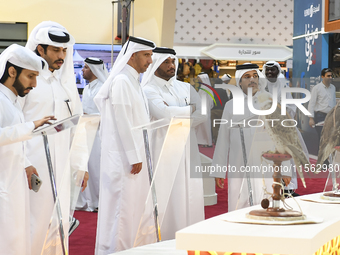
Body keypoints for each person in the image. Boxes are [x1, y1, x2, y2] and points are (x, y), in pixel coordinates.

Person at [20, 21, 84, 255]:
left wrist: (81, 165)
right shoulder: (27, 81)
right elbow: (13, 124)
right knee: (34, 221)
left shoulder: (64, 85)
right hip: (33, 165)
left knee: (59, 223)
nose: (62, 56)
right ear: (40, 50)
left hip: (62, 165)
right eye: (56, 50)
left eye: (64, 50)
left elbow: (78, 126)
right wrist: (25, 163)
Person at [94, 36, 156, 254]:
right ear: (132, 56)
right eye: (146, 55)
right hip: (124, 160)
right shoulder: (121, 81)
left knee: (131, 209)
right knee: (121, 211)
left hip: (133, 158)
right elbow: (123, 121)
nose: (150, 61)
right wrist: (134, 156)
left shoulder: (132, 81)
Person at [142, 47, 205, 240]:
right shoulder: (148, 89)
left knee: (190, 190)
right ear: (155, 64)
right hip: (164, 148)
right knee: (169, 193)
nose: (171, 66)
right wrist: (189, 110)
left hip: (188, 146)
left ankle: (190, 236)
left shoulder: (184, 87)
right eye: (166, 62)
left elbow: (202, 112)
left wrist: (177, 111)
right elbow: (164, 114)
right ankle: (167, 237)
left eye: (173, 62)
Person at [0, 44, 55, 255]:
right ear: (12, 71)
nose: (34, 83)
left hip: (14, 184)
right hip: (4, 186)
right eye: (30, 76)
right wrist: (32, 125)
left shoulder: (11, 100)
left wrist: (26, 164)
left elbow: (11, 140)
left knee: (16, 240)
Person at [211, 63, 289, 211]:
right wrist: (219, 170)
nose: (252, 79)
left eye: (255, 76)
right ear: (240, 81)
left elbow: (281, 138)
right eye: (247, 77)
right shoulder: (230, 105)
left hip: (265, 163)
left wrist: (285, 169)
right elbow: (223, 140)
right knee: (238, 202)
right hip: (239, 163)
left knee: (266, 201)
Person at [262, 60, 308, 196]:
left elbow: (292, 107)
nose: (270, 72)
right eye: (268, 70)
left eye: (273, 70)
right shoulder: (262, 87)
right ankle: (271, 189)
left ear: (278, 71)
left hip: (284, 129)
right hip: (267, 130)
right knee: (269, 158)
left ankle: (289, 189)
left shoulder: (284, 87)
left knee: (289, 158)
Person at [76, 57, 108, 212]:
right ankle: (89, 200)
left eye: (86, 67)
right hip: (86, 134)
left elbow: (108, 114)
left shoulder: (103, 88)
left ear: (94, 70)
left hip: (99, 136)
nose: (83, 70)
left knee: (96, 168)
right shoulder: (88, 88)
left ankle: (98, 202)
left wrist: (89, 115)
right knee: (87, 167)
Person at [308, 68, 336, 139]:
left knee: (330, 137)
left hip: (331, 116)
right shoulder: (317, 88)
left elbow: (334, 102)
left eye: (331, 76)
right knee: (322, 137)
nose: (330, 77)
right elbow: (311, 103)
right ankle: (320, 150)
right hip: (320, 116)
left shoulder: (333, 88)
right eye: (328, 76)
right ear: (322, 77)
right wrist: (311, 118)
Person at [196, 73, 214, 147]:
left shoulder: (205, 88)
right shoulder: (204, 87)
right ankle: (203, 141)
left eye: (199, 78)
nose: (198, 79)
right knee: (202, 125)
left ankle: (207, 142)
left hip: (204, 109)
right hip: (203, 109)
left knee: (205, 125)